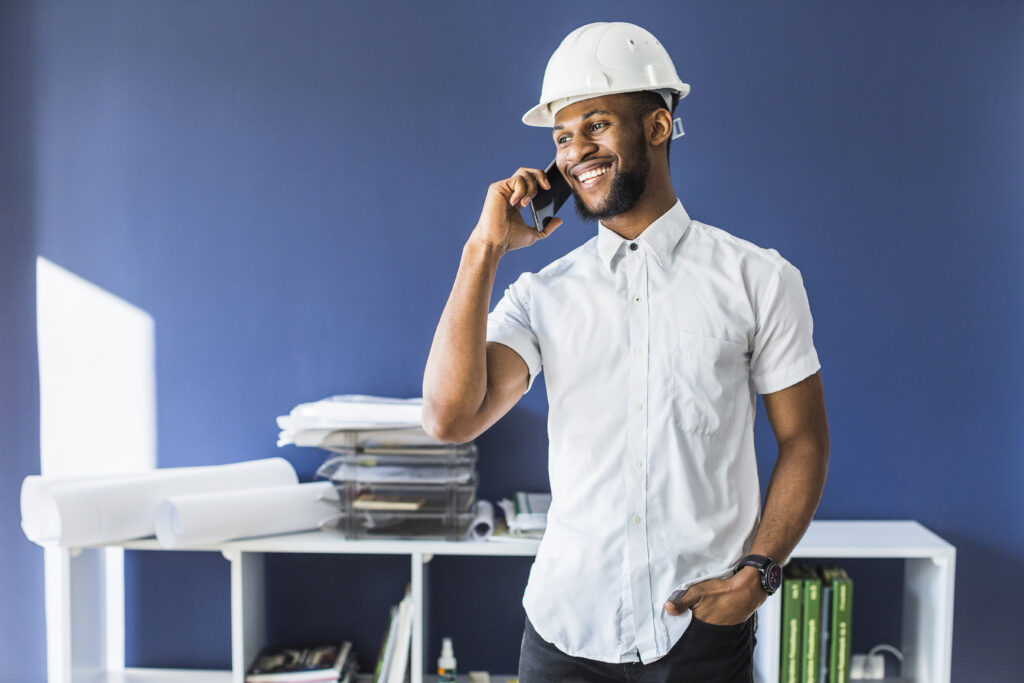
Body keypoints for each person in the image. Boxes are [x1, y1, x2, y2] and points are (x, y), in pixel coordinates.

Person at [421, 22, 829, 683]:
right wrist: (484, 250)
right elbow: (447, 417)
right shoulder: (541, 296)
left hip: (699, 637)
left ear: (658, 128)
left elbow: (804, 440)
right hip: (563, 635)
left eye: (597, 125)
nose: (577, 150)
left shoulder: (760, 279)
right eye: (561, 138)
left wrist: (758, 575)